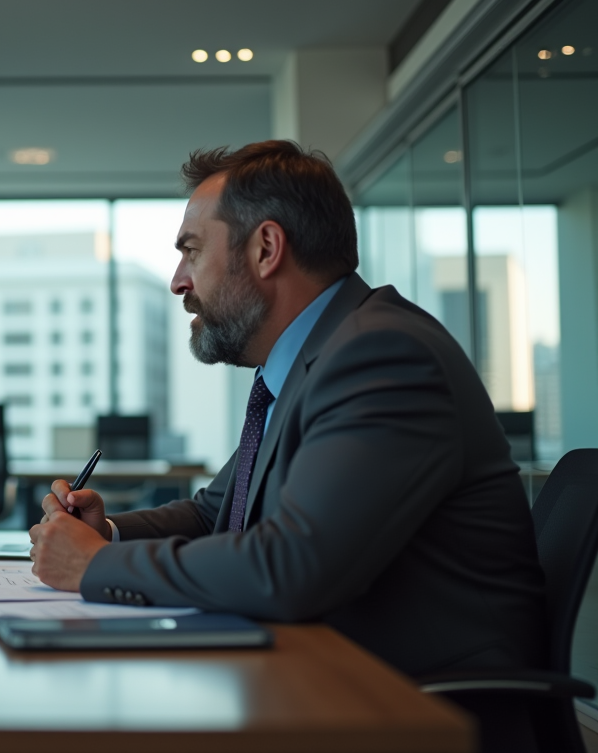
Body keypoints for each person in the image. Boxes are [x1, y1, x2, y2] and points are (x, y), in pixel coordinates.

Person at [29, 141, 546, 680]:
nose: (179, 281)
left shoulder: (381, 356)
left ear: (267, 248)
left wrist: (94, 564)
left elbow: (292, 567)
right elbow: (217, 515)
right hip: (323, 676)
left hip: (421, 708)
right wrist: (105, 533)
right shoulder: (310, 363)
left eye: (193, 251)